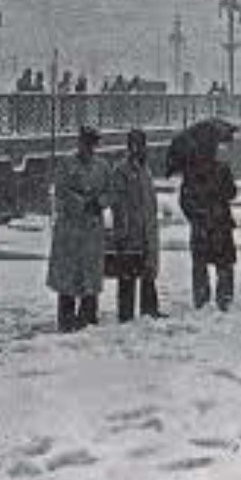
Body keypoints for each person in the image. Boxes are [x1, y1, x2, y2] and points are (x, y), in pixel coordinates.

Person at [47, 126, 112, 332]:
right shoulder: (67, 165)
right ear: (79, 143)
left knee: (89, 280)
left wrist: (100, 203)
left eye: (92, 144)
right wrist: (82, 203)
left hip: (92, 230)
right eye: (86, 143)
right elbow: (61, 191)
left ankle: (88, 319)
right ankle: (66, 321)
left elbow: (111, 191)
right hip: (70, 230)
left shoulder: (102, 167)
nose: (89, 149)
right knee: (68, 279)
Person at [111, 129, 165, 322]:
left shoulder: (145, 170)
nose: (140, 149)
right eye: (136, 145)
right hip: (130, 231)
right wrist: (122, 231)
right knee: (128, 275)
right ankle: (126, 314)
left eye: (142, 145)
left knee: (148, 270)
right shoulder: (122, 171)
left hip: (146, 230)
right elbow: (118, 204)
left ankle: (149, 309)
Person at [180, 134, 237, 311]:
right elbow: (232, 193)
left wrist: (196, 216)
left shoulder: (191, 172)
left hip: (201, 225)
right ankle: (224, 298)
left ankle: (201, 298)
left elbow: (184, 201)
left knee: (200, 264)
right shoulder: (223, 169)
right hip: (220, 223)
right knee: (224, 263)